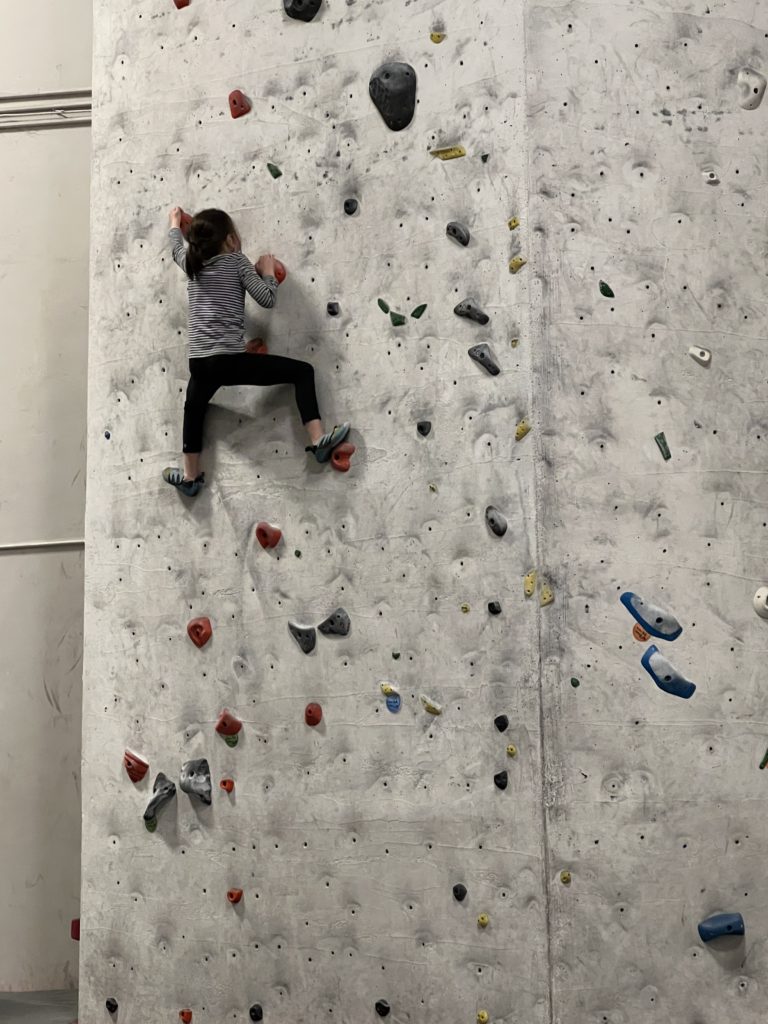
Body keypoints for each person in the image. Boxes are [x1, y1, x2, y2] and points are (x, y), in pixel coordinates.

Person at [163, 206, 350, 496]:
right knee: (303, 372)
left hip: (199, 363)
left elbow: (175, 247)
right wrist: (266, 273)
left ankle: (190, 476)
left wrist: (175, 223)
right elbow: (266, 299)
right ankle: (318, 439)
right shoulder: (237, 262)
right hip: (229, 361)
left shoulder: (192, 265)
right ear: (230, 240)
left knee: (193, 409)